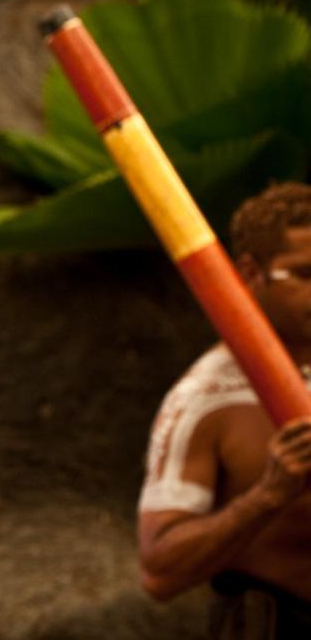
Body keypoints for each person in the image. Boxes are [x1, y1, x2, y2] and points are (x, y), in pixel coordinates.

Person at [137, 182, 311, 638]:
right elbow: (160, 570)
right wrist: (269, 494)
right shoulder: (206, 398)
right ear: (252, 274)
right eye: (306, 274)